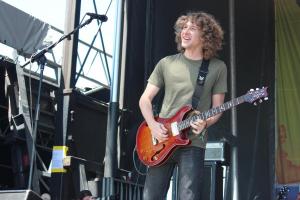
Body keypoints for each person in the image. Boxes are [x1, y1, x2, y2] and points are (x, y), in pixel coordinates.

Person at [139, 11, 227, 200]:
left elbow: (218, 108)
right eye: (184, 27)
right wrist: (153, 126)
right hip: (161, 139)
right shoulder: (166, 63)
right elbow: (144, 100)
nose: (185, 31)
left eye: (192, 28)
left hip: (193, 141)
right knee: (150, 196)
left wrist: (206, 123)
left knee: (189, 196)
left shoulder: (217, 67)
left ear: (206, 36)